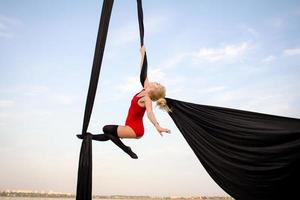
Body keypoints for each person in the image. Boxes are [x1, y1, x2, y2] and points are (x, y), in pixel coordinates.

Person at [78, 46, 171, 159]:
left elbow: (150, 113)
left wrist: (157, 126)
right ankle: (88, 137)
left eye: (158, 85)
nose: (157, 82)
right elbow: (143, 71)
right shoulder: (145, 88)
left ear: (154, 91)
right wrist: (143, 54)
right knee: (110, 134)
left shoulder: (147, 98)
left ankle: (126, 149)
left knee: (107, 129)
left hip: (135, 129)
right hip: (130, 125)